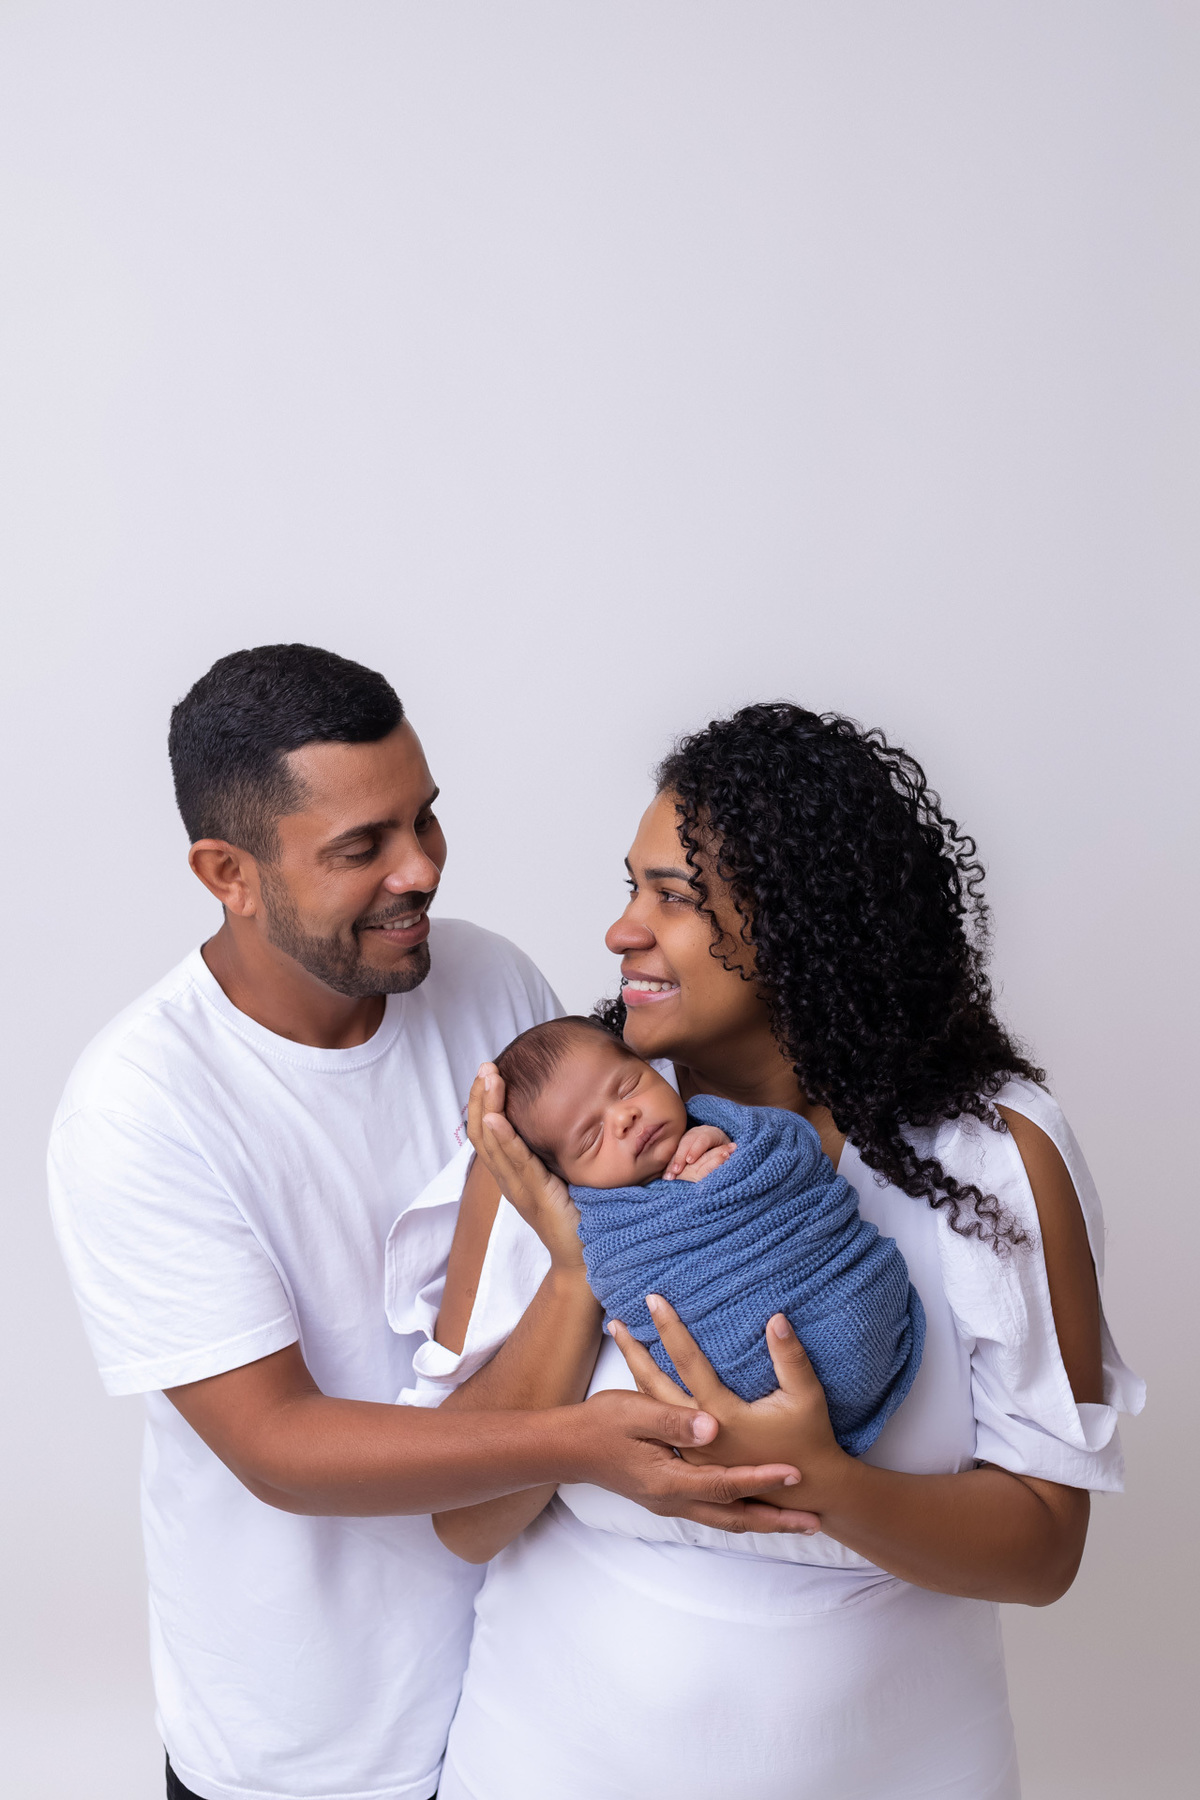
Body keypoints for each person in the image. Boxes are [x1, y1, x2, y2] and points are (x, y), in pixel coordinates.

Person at [47, 649, 814, 1800]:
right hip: (315, 1743)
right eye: (362, 848)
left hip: (531, 1700)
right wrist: (591, 1443)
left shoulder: (494, 988)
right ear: (229, 872)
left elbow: (611, 1242)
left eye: (427, 820)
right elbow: (281, 1447)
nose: (420, 870)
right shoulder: (142, 1107)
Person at [396, 702, 1144, 1800]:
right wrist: (572, 1275)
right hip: (554, 1762)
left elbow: (1041, 1550)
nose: (621, 932)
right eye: (629, 886)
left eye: (674, 897)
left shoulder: (991, 1157)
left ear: (805, 921)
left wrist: (825, 1482)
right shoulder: (565, 1141)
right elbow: (464, 1519)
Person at [486, 1013, 925, 1458]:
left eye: (627, 1087)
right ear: (567, 1177)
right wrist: (686, 1195)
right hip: (743, 1383)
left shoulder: (732, 1129)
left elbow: (792, 1152)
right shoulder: (609, 1227)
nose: (624, 1117)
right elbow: (622, 1281)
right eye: (591, 1137)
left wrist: (728, 1149)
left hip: (850, 1298)